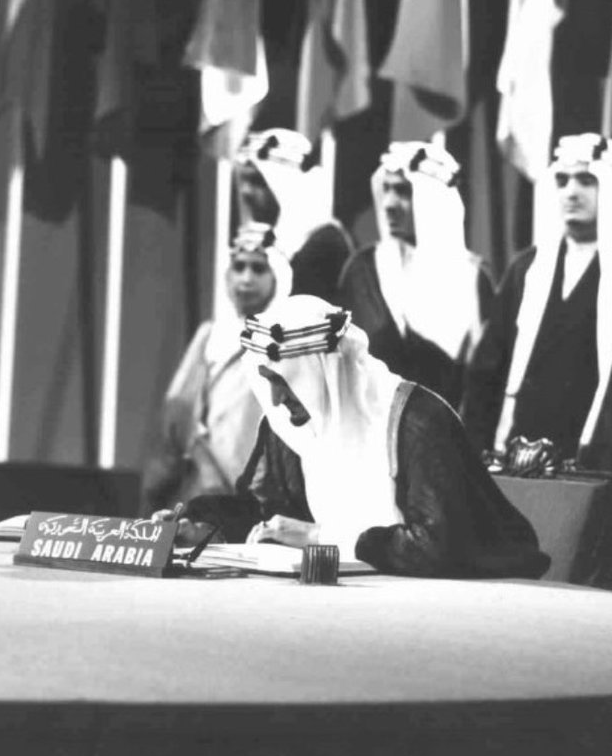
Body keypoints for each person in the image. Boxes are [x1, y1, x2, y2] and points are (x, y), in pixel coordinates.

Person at [180, 294, 550, 580]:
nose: (275, 399)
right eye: (269, 383)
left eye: (284, 381)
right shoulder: (289, 422)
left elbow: (438, 547)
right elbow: (266, 513)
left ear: (322, 373)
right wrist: (203, 527)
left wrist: (321, 537)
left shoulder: (416, 421)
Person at [462, 134, 612, 583]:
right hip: (518, 464)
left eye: (586, 180)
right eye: (562, 180)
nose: (571, 192)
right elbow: (487, 371)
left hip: (600, 469)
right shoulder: (527, 269)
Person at [141, 223, 292, 513]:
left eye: (259, 269)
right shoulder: (210, 335)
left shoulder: (284, 342)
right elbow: (177, 410)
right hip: (199, 485)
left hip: (255, 492)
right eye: (239, 267)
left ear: (277, 277)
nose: (246, 278)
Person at [338, 142, 493, 407]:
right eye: (386, 189)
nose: (389, 204)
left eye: (403, 191)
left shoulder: (474, 279)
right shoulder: (363, 270)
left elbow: (484, 381)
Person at [234, 128, 353, 303]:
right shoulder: (271, 243)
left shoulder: (323, 245)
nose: (246, 192)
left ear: (286, 183)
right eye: (244, 181)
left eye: (257, 182)